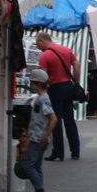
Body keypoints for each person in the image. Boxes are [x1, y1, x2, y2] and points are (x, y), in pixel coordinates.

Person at [35, 31, 81, 161]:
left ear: (42, 41)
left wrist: (41, 91)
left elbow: (42, 76)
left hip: (55, 88)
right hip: (68, 86)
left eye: (37, 44)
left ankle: (58, 152)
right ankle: (75, 151)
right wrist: (76, 82)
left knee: (55, 120)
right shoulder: (65, 49)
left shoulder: (44, 56)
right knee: (70, 120)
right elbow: (77, 65)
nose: (37, 47)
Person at [19, 69, 56, 192]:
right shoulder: (41, 98)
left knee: (28, 165)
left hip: (37, 138)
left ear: (37, 84)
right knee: (36, 166)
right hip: (39, 136)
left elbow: (53, 119)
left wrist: (45, 136)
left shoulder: (42, 99)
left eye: (31, 83)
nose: (29, 85)